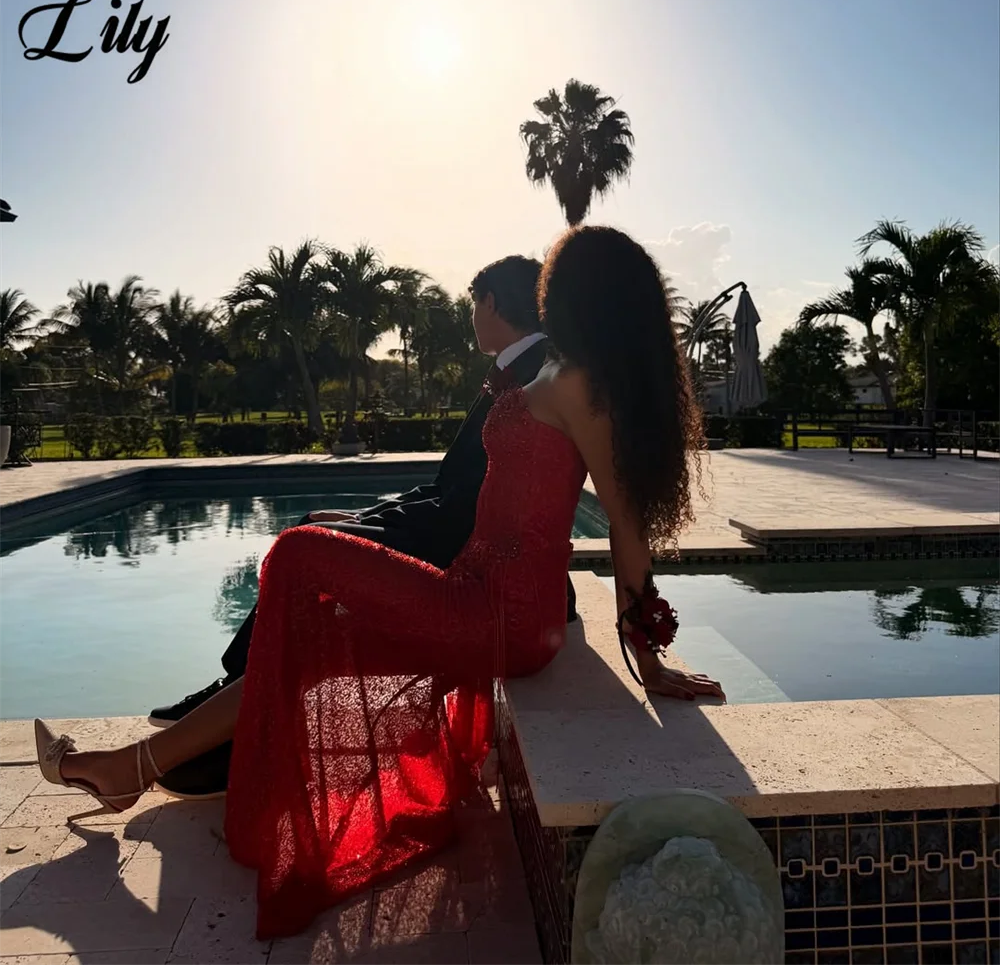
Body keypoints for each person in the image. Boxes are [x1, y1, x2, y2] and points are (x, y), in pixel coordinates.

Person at [35, 225, 725, 941]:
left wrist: (647, 653)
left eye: (557, 275)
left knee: (300, 552)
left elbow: (625, 521)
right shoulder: (564, 371)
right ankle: (130, 769)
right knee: (304, 643)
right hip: (476, 592)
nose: (546, 289)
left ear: (580, 290)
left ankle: (166, 768)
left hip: (501, 614)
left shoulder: (583, 386)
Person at [148, 254, 577, 799]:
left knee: (303, 553)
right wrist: (367, 516)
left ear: (491, 302)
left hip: (465, 553)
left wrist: (369, 524)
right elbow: (453, 487)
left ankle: (236, 718)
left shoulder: (536, 376)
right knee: (312, 529)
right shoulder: (523, 368)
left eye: (474, 304)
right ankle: (234, 698)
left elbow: (467, 506)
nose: (472, 317)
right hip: (453, 532)